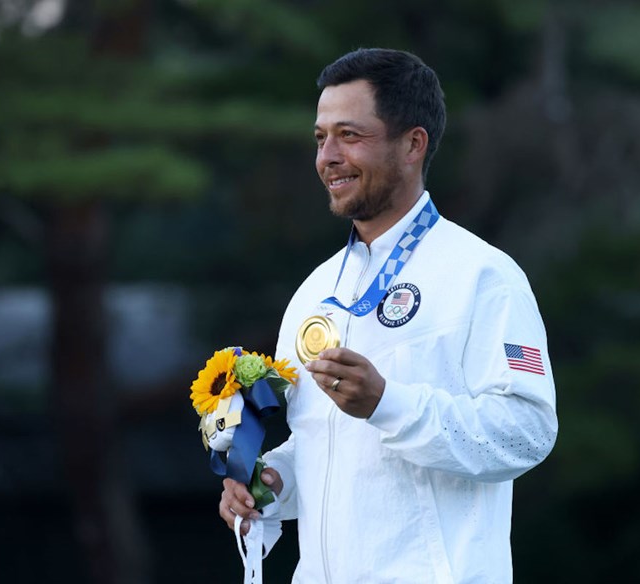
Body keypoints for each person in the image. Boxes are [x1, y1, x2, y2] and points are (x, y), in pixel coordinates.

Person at [219, 48, 558, 583]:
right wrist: (275, 480)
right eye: (320, 137)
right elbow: (327, 450)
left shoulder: (483, 276)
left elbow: (527, 432)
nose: (327, 156)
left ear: (412, 145)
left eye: (349, 136)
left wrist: (388, 403)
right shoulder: (313, 294)